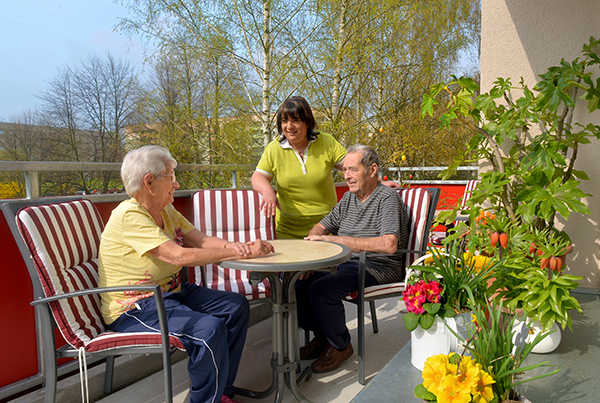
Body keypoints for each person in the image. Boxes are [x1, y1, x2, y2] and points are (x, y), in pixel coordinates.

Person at [98, 145, 275, 403]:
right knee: (208, 328)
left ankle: (220, 392)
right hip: (134, 307)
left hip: (171, 293)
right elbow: (178, 256)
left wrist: (239, 248)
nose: (176, 183)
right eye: (170, 177)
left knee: (235, 306)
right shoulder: (129, 215)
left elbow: (200, 241)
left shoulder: (166, 210)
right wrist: (244, 254)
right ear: (149, 182)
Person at [296, 144, 409, 373]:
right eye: (344, 170)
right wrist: (313, 245)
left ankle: (340, 345)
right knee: (298, 281)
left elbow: (389, 244)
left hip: (377, 266)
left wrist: (337, 240)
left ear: (372, 169)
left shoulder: (386, 199)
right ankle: (323, 337)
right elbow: (320, 227)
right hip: (348, 263)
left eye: (353, 169)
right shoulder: (348, 199)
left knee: (321, 289)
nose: (347, 175)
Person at [251, 96, 347, 239]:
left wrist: (376, 182)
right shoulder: (273, 148)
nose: (289, 126)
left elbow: (353, 166)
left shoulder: (327, 142)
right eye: (284, 121)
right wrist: (268, 191)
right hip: (287, 229)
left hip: (326, 228)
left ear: (307, 122)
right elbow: (258, 176)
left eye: (295, 120)